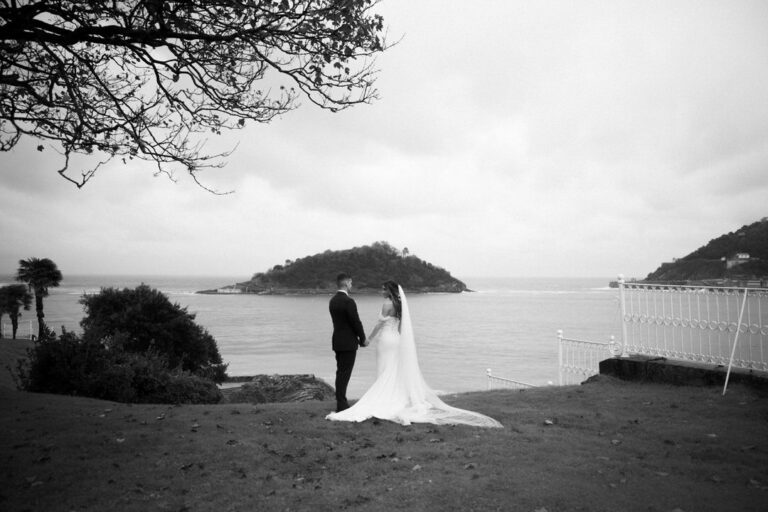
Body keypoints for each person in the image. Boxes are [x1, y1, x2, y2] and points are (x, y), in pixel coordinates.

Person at [327, 280, 502, 428]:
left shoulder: (387, 304)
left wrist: (368, 340)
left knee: (384, 369)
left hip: (385, 341)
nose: (381, 291)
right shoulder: (399, 305)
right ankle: (395, 395)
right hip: (396, 339)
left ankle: (384, 396)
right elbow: (402, 328)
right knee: (393, 370)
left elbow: (380, 324)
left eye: (383, 289)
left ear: (389, 290)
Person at [328, 273, 367, 412]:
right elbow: (355, 322)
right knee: (344, 374)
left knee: (340, 373)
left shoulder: (332, 301)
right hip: (348, 343)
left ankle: (341, 402)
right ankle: (342, 405)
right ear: (346, 283)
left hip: (337, 341)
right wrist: (363, 339)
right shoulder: (349, 301)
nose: (351, 285)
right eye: (351, 283)